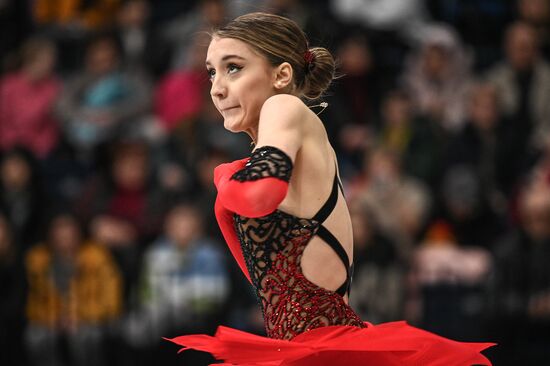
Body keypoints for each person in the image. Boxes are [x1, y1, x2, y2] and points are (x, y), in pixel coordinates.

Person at [165, 12, 495, 365]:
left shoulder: (283, 106)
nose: (216, 87)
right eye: (212, 71)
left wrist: (222, 176)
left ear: (281, 75)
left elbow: (258, 193)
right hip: (308, 349)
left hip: (322, 350)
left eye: (233, 68)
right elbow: (266, 280)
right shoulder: (288, 139)